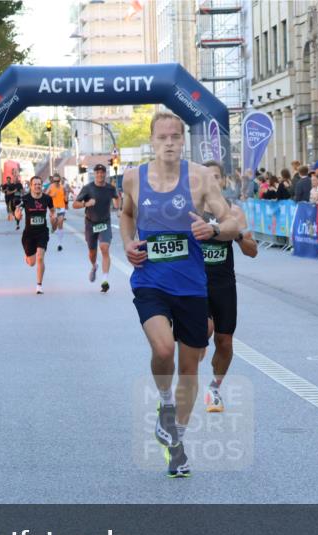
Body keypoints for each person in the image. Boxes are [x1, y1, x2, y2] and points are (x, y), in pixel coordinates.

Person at [119, 111, 240, 478]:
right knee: (163, 349)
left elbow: (234, 221)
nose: (169, 142)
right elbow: (126, 215)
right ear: (153, 141)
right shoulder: (133, 178)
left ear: (182, 140)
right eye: (162, 137)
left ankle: (177, 442)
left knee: (189, 367)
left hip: (191, 285)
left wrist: (214, 229)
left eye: (175, 136)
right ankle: (166, 405)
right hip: (150, 280)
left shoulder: (201, 177)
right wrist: (127, 243)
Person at [200, 161, 258, 412]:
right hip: (195, 284)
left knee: (224, 341)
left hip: (223, 284)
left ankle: (214, 388)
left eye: (216, 178)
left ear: (223, 182)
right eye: (207, 178)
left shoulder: (233, 212)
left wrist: (236, 235)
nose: (212, 182)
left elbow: (252, 251)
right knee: (205, 330)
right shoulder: (190, 211)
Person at [73, 164, 121, 293]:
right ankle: (94, 266)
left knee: (104, 248)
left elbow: (117, 198)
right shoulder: (88, 188)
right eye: (97, 172)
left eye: (102, 172)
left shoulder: (110, 188)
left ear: (105, 174)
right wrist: (86, 203)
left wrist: (118, 206)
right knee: (92, 252)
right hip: (90, 223)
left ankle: (105, 280)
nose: (100, 175)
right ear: (94, 174)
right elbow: (75, 204)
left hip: (105, 222)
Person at [14, 176, 55, 294]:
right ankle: (27, 256)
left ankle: (39, 285)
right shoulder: (25, 199)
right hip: (29, 234)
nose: (37, 186)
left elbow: (52, 210)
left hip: (42, 232)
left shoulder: (47, 198)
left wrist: (53, 216)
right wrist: (17, 215)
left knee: (40, 257)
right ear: (31, 186)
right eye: (35, 184)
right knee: (32, 263)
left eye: (39, 184)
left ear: (41, 186)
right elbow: (18, 210)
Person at [47, 174, 68, 251]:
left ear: (60, 180)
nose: (56, 182)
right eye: (54, 181)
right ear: (53, 180)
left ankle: (60, 243)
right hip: (53, 209)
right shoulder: (51, 186)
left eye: (57, 181)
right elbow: (45, 195)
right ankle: (53, 228)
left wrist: (66, 199)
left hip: (61, 208)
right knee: (54, 224)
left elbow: (65, 196)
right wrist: (52, 195)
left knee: (60, 224)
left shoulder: (63, 187)